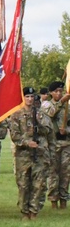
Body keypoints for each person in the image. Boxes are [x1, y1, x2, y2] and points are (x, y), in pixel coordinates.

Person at [9, 87, 53, 219]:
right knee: (23, 184)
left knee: (38, 184)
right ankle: (24, 211)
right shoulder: (16, 115)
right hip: (23, 155)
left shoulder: (41, 114)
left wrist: (39, 124)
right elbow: (14, 135)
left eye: (31, 96)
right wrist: (27, 142)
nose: (29, 99)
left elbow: (48, 131)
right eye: (27, 96)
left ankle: (34, 211)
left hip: (39, 154)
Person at [44, 81, 69, 209]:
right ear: (51, 93)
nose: (59, 93)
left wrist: (67, 131)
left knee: (65, 173)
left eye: (61, 91)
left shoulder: (68, 107)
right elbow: (50, 114)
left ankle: (64, 200)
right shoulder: (47, 105)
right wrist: (61, 102)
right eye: (56, 91)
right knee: (53, 173)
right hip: (53, 144)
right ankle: (53, 201)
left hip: (66, 143)